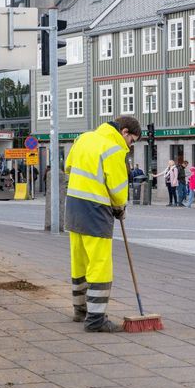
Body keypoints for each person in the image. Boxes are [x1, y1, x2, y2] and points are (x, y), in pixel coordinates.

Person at [65, 116, 141, 333]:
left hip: (73, 206)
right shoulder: (114, 149)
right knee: (100, 264)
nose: (130, 146)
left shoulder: (84, 138)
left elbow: (67, 167)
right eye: (132, 140)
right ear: (124, 132)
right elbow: (117, 191)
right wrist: (119, 207)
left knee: (79, 260)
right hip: (96, 210)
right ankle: (96, 319)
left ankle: (80, 310)